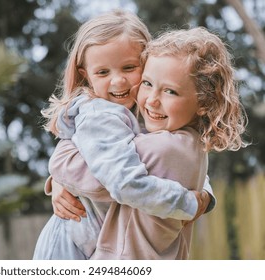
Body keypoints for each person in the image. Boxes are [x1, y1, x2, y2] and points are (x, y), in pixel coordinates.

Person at [40, 25, 247, 259]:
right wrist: (58, 179)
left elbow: (100, 172)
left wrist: (201, 197)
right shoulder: (108, 116)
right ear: (85, 73)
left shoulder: (156, 133)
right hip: (70, 240)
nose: (118, 81)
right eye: (148, 83)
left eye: (129, 68)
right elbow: (112, 175)